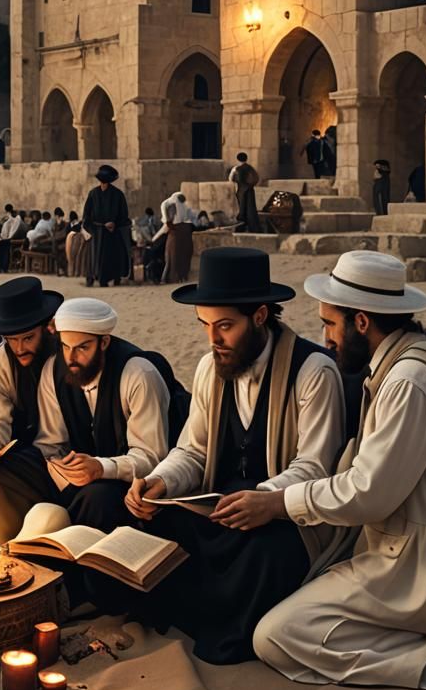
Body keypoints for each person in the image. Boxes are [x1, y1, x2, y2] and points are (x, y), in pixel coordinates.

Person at [252, 251, 426, 689]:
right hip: (416, 548)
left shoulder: (409, 380)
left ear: (361, 322)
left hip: (423, 569)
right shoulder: (416, 355)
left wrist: (279, 503)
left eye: (330, 324)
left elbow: (370, 492)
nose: (325, 338)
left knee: (276, 635)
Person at [125, 247, 345, 664]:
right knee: (157, 521)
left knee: (265, 551)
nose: (213, 339)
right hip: (222, 505)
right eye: (205, 325)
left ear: (259, 316)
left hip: (284, 512)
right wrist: (161, 481)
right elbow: (193, 450)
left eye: (224, 326)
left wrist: (263, 500)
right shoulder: (210, 368)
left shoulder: (313, 370)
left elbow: (314, 466)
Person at [17, 298, 178, 533]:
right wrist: (60, 466)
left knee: (97, 499)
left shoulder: (139, 374)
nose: (71, 358)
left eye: (82, 348)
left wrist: (101, 468)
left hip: (130, 484)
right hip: (77, 478)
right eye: (65, 347)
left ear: (103, 342)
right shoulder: (53, 369)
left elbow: (151, 458)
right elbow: (50, 443)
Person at [0, 277, 64, 539]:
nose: (19, 349)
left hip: (70, 453)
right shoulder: (2, 358)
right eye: (11, 339)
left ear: (47, 328)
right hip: (30, 449)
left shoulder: (66, 357)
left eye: (28, 338)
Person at [82, 165, 131, 287]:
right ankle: (97, 278)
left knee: (111, 256)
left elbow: (123, 216)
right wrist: (95, 228)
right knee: (96, 256)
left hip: (111, 233)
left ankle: (110, 279)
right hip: (97, 232)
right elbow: (86, 215)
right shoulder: (93, 194)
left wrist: (114, 224)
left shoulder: (118, 195)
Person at [159, 192, 194, 283]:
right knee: (172, 259)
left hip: (180, 234)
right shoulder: (171, 205)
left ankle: (177, 277)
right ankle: (169, 278)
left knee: (178, 258)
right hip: (175, 234)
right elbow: (169, 221)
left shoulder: (183, 207)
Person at [228, 153, 261, 232]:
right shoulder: (251, 168)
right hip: (250, 190)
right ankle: (253, 228)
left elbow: (230, 179)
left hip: (240, 191)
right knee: (251, 210)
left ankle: (241, 228)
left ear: (237, 159)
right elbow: (256, 178)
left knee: (241, 209)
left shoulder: (236, 169)